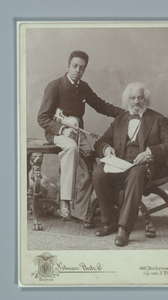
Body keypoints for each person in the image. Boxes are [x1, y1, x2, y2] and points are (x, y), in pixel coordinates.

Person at [37, 50, 124, 223]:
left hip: (79, 134)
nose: (78, 70)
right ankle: (65, 201)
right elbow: (42, 118)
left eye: (82, 68)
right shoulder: (54, 86)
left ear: (85, 70)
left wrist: (126, 114)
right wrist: (62, 129)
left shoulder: (83, 87)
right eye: (75, 66)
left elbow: (102, 106)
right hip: (57, 133)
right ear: (68, 65)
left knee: (91, 168)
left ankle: (80, 212)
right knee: (71, 147)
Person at [93, 82, 168, 246]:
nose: (136, 101)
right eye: (132, 98)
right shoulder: (119, 120)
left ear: (146, 100)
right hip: (120, 164)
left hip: (146, 167)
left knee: (135, 174)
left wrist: (149, 152)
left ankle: (124, 230)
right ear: (127, 101)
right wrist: (106, 150)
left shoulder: (157, 119)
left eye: (140, 97)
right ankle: (109, 222)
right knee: (98, 173)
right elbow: (101, 141)